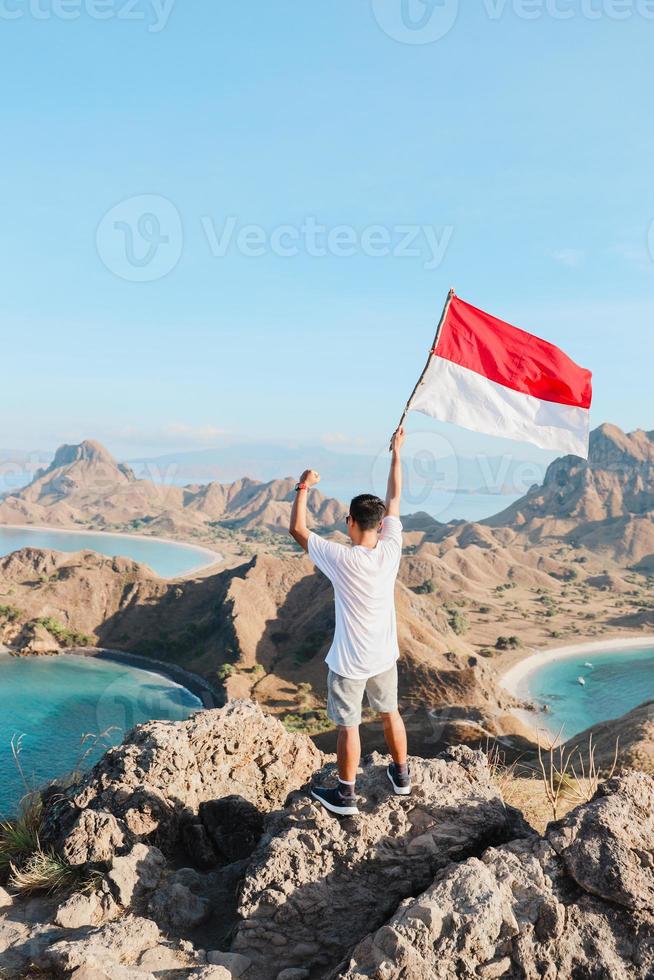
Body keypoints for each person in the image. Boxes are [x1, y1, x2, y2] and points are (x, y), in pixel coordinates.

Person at [288, 426, 410, 816]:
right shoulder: (390, 548)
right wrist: (396, 454)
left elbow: (298, 530)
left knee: (349, 726)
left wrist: (303, 488)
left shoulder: (342, 559)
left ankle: (345, 795)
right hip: (384, 656)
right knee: (390, 712)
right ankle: (402, 776)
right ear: (378, 524)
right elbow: (394, 499)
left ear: (351, 523)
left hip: (350, 663)